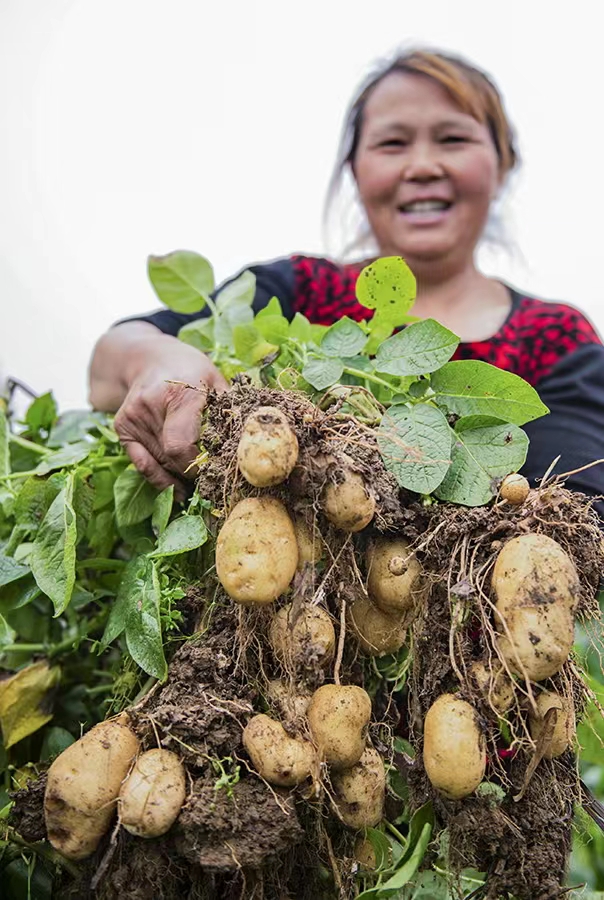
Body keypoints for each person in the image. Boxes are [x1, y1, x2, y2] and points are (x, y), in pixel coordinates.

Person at [89, 49, 604, 504]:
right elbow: (108, 363)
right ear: (355, 170)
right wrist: (158, 359)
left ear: (503, 162)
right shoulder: (303, 291)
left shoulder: (553, 334)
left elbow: (579, 491)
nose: (422, 166)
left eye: (453, 138)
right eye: (392, 144)